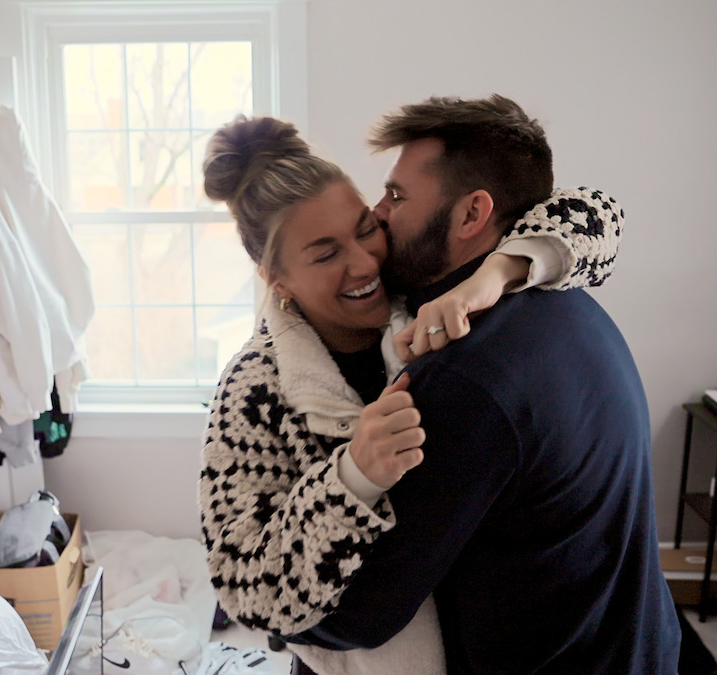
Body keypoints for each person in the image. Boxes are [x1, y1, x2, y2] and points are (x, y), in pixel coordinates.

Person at [198, 113, 626, 674]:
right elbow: (243, 588)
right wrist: (351, 475)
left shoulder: (412, 287)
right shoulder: (253, 391)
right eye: (325, 254)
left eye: (365, 226)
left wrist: (498, 271)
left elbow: (600, 214)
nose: (364, 261)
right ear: (276, 279)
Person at [289, 95, 682, 674]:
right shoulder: (563, 292)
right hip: (639, 647)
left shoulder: (463, 379)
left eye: (397, 195)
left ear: (472, 215)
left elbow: (359, 614)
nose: (378, 213)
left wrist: (270, 608)